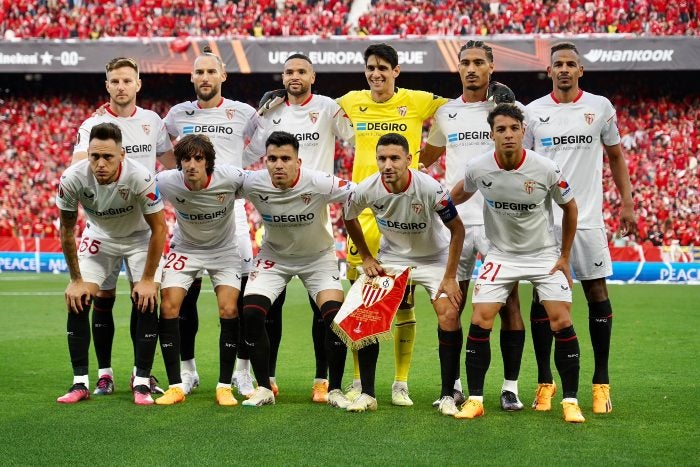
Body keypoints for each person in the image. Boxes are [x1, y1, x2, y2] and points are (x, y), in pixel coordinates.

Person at [450, 104, 585, 423]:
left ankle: (570, 401)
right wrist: (430, 206)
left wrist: (564, 256)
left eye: (513, 128)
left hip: (543, 255)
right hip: (501, 255)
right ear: (491, 134)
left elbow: (571, 209)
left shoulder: (545, 168)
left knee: (561, 320)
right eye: (501, 129)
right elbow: (452, 197)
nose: (508, 134)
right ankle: (476, 399)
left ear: (523, 131)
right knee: (480, 318)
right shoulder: (478, 168)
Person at [523, 42, 636, 414]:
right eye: (559, 64)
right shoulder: (533, 112)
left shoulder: (600, 107)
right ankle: (544, 383)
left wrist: (627, 202)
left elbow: (616, 157)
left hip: (587, 220)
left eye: (572, 64)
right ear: (550, 70)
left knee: (597, 294)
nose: (565, 69)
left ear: (580, 71)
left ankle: (601, 384)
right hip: (543, 223)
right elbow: (522, 165)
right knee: (542, 300)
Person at [337, 43, 449, 406]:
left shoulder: (417, 101)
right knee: (361, 300)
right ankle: (358, 381)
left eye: (383, 68)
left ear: (396, 71)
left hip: (406, 210)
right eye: (370, 67)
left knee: (405, 301)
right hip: (365, 212)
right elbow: (317, 110)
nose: (376, 74)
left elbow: (457, 111)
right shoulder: (352, 101)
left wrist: (429, 154)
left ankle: (400, 382)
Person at [420, 40, 525, 411]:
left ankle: (510, 387)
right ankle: (453, 387)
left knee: (509, 302)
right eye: (465, 62)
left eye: (479, 62)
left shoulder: (508, 112)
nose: (471, 68)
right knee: (452, 304)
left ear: (491, 67)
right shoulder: (447, 114)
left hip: (500, 220)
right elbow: (426, 159)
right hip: (457, 223)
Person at [244, 53, 355, 403]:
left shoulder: (326, 107)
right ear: (282, 75)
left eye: (301, 71)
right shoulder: (272, 111)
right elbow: (246, 156)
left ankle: (323, 380)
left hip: (316, 203)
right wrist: (257, 117)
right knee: (267, 310)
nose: (294, 76)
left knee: (322, 311)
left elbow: (354, 138)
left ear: (313, 76)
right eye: (289, 71)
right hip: (277, 219)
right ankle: (268, 379)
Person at [72, 57, 174, 396]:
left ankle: (139, 374)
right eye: (115, 81)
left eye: (127, 80)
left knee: (144, 298)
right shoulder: (92, 125)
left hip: (143, 227)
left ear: (138, 84)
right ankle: (104, 374)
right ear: (107, 85)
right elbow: (78, 166)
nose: (121, 86)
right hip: (103, 228)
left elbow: (171, 163)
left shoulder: (152, 121)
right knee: (102, 296)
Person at [344, 133, 465, 415]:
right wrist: (367, 256)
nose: (387, 165)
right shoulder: (366, 188)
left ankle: (449, 395)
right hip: (393, 257)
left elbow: (457, 229)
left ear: (408, 160)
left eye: (394, 158)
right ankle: (368, 394)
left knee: (448, 314)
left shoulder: (430, 188)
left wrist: (449, 276)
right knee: (366, 311)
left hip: (434, 257)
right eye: (382, 158)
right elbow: (348, 217)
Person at [163, 47, 258, 396]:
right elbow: (161, 146)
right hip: (190, 210)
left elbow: (261, 142)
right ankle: (188, 371)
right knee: (183, 297)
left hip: (230, 209)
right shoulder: (177, 114)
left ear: (222, 76)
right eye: (198, 72)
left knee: (241, 299)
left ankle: (242, 372)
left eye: (210, 72)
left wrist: (238, 166)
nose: (204, 78)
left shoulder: (243, 112)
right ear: (192, 77)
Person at [56, 122, 167, 405]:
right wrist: (76, 279)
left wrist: (147, 279)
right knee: (78, 297)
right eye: (95, 156)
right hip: (100, 236)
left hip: (139, 237)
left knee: (147, 298)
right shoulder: (72, 178)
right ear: (88, 154)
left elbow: (159, 229)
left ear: (122, 154)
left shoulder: (141, 176)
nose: (100, 164)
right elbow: (67, 231)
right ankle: (82, 381)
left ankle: (141, 380)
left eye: (108, 157)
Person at [153, 134, 246, 406]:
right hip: (186, 249)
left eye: (198, 158)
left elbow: (261, 184)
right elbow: (137, 186)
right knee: (168, 307)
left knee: (229, 309)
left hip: (224, 250)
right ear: (179, 162)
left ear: (208, 162)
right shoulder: (167, 181)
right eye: (185, 159)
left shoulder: (229, 177)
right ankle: (175, 386)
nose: (191, 164)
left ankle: (224, 386)